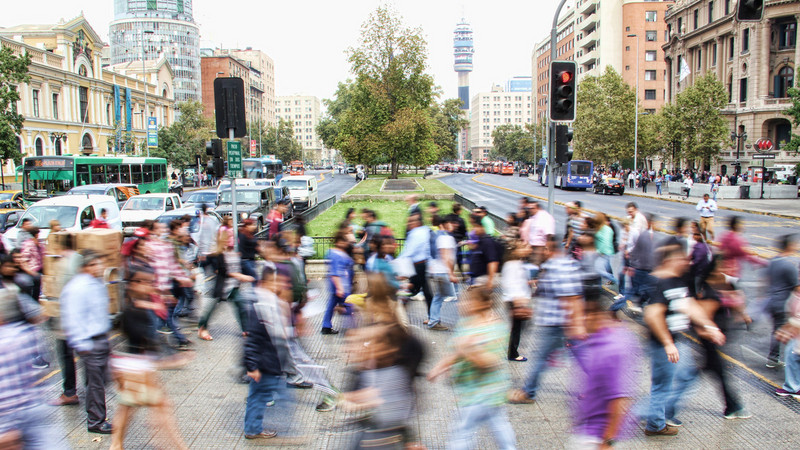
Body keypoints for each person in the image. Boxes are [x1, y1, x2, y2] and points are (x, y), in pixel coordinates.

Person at [642, 244, 725, 437]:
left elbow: (689, 306)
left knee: (685, 377)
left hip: (676, 341)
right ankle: (650, 420)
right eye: (681, 259)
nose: (686, 262)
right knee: (663, 385)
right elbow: (653, 314)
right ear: (670, 261)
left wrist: (710, 327)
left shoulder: (677, 281)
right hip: (664, 344)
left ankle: (657, 418)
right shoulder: (660, 282)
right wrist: (667, 343)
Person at [110, 267, 190, 450]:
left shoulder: (137, 304)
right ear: (133, 284)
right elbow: (144, 338)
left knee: (127, 407)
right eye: (145, 282)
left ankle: (116, 445)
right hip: (137, 369)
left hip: (131, 367)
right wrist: (170, 360)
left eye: (151, 282)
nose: (150, 286)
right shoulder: (133, 308)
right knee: (162, 412)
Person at [428, 287, 516, 450]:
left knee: (463, 431)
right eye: (462, 300)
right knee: (499, 424)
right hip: (477, 390)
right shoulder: (465, 324)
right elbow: (456, 352)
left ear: (482, 304)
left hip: (482, 391)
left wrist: (468, 350)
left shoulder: (494, 327)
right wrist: (440, 368)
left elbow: (491, 362)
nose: (460, 304)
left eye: (467, 301)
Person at [508, 235, 584, 404]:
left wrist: (575, 325)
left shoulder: (559, 267)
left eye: (543, 248)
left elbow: (571, 297)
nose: (540, 251)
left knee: (541, 357)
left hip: (557, 323)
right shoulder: (555, 265)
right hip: (555, 322)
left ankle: (528, 392)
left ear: (550, 250)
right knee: (579, 356)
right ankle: (597, 388)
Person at [569, 285, 638, 448]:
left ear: (594, 315)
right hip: (590, 429)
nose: (576, 321)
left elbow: (619, 399)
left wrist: (608, 441)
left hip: (596, 436)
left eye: (580, 315)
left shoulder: (610, 349)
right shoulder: (607, 338)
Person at [60, 250, 113, 434]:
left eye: (99, 263)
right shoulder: (77, 287)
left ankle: (96, 415)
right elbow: (73, 318)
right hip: (90, 342)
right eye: (93, 264)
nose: (98, 267)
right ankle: (96, 421)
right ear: (84, 267)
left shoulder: (97, 283)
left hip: (101, 339)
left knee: (99, 381)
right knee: (95, 384)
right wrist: (82, 344)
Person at [243, 264, 296, 440]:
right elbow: (252, 339)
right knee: (262, 396)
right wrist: (252, 366)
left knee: (259, 396)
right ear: (265, 282)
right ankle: (253, 429)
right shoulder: (261, 305)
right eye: (275, 281)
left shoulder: (268, 301)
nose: (279, 285)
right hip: (264, 362)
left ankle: (252, 428)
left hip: (269, 360)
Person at [47, 234, 83, 407]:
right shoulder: (80, 259)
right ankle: (89, 389)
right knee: (83, 355)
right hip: (81, 319)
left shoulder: (63, 263)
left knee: (66, 355)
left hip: (68, 321)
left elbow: (60, 294)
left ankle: (69, 392)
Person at [765, 234, 799, 368]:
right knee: (788, 332)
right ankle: (781, 359)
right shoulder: (789, 266)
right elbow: (797, 288)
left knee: (777, 331)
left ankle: (773, 358)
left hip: (772, 300)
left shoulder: (773, 261)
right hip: (784, 303)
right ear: (790, 246)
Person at [502, 242, 532, 362]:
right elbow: (510, 284)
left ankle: (513, 351)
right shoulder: (512, 265)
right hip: (515, 301)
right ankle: (513, 353)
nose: (527, 249)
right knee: (517, 328)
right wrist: (518, 303)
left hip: (518, 300)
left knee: (518, 327)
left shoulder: (517, 263)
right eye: (523, 247)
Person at [398, 212, 433, 316]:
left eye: (412, 221)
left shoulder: (417, 233)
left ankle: (432, 317)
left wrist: (398, 263)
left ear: (418, 222)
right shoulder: (424, 231)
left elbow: (409, 251)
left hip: (418, 265)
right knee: (423, 291)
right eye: (409, 221)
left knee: (415, 289)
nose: (409, 223)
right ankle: (432, 317)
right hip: (419, 265)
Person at [427, 215, 457, 331]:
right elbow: (446, 256)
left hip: (438, 270)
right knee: (448, 296)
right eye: (451, 223)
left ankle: (433, 320)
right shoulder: (445, 238)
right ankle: (434, 321)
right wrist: (451, 273)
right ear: (444, 224)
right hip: (443, 272)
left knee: (439, 296)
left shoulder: (439, 236)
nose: (453, 225)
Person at [321, 229, 354, 335]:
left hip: (339, 285)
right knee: (349, 305)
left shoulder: (336, 253)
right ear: (339, 241)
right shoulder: (336, 254)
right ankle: (350, 328)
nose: (346, 243)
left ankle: (326, 325)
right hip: (341, 286)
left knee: (331, 305)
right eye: (344, 241)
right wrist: (340, 288)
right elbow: (335, 272)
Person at [467, 214, 500, 287]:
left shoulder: (487, 242)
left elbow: (493, 261)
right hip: (479, 278)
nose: (474, 230)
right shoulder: (480, 241)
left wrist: (490, 280)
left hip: (484, 279)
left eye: (476, 227)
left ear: (482, 227)